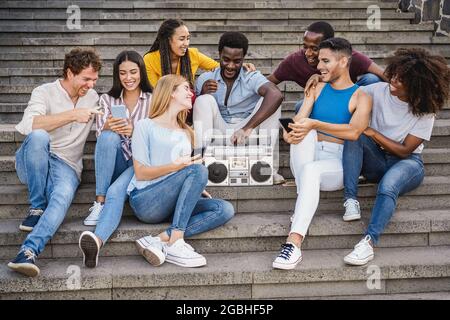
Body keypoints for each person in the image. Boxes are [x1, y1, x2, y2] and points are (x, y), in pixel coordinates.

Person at [342, 48, 450, 266]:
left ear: (416, 84)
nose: (393, 80)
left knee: (389, 186)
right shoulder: (375, 90)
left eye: (401, 79)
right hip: (376, 160)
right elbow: (342, 93)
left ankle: (368, 242)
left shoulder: (425, 110)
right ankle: (350, 199)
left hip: (407, 163)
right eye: (394, 74)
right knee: (354, 137)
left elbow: (404, 150)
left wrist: (372, 132)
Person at [272, 38, 372, 270]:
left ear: (344, 61)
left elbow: (355, 132)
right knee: (303, 130)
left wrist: (315, 124)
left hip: (336, 165)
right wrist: (291, 133)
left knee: (311, 164)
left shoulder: (361, 96)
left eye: (326, 61)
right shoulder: (316, 87)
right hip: (309, 154)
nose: (319, 67)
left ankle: (293, 243)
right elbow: (300, 121)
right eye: (319, 61)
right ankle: (300, 218)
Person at [8, 48, 102, 277]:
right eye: (86, 79)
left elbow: (103, 125)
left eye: (95, 80)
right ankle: (37, 205)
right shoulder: (44, 91)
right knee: (39, 136)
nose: (91, 85)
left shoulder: (93, 98)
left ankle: (27, 252)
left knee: (61, 196)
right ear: (70, 73)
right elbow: (29, 125)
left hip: (67, 165)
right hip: (34, 160)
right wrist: (72, 115)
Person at [129, 74, 235, 268]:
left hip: (173, 201)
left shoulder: (188, 132)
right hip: (146, 200)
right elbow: (141, 172)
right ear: (170, 93)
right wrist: (179, 168)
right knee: (198, 170)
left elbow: (186, 171)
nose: (191, 92)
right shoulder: (145, 126)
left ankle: (159, 239)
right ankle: (176, 241)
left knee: (224, 209)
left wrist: (193, 186)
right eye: (185, 88)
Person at [78, 50, 153, 268]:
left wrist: (134, 131)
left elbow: (157, 138)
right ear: (116, 75)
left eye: (133, 72)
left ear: (141, 72)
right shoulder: (107, 99)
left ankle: (97, 242)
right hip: (117, 161)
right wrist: (108, 126)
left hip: (140, 163)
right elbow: (102, 140)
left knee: (116, 192)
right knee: (108, 136)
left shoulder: (153, 98)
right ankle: (98, 202)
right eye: (122, 73)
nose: (128, 78)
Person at [193, 32, 285, 184]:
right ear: (219, 55)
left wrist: (247, 128)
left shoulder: (251, 77)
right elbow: (191, 117)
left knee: (272, 101)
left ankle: (268, 169)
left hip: (246, 132)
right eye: (226, 60)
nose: (230, 66)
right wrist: (201, 93)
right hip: (217, 132)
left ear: (243, 59)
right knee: (203, 100)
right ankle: (201, 167)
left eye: (237, 61)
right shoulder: (205, 78)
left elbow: (276, 94)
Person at [267, 21, 386, 114]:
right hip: (322, 101)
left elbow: (383, 74)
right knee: (300, 106)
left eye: (314, 48)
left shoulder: (346, 55)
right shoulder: (294, 61)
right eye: (305, 47)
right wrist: (250, 74)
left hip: (350, 99)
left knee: (372, 80)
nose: (308, 53)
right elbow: (268, 82)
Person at [144, 19, 255, 89]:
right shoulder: (150, 59)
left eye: (188, 38)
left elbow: (218, 66)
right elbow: (154, 92)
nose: (186, 43)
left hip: (187, 105)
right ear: (168, 40)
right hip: (162, 106)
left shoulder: (192, 54)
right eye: (182, 39)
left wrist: (241, 66)